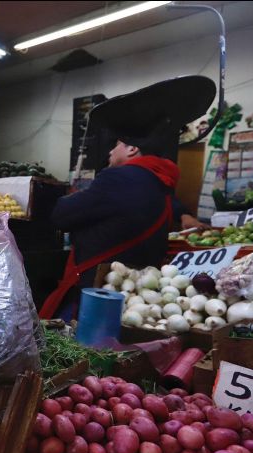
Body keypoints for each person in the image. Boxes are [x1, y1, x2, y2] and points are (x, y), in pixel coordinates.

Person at [40, 76, 216, 319]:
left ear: (132, 149)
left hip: (97, 294)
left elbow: (61, 216)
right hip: (134, 296)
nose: (111, 151)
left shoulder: (119, 178)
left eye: (117, 145)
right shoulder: (159, 181)